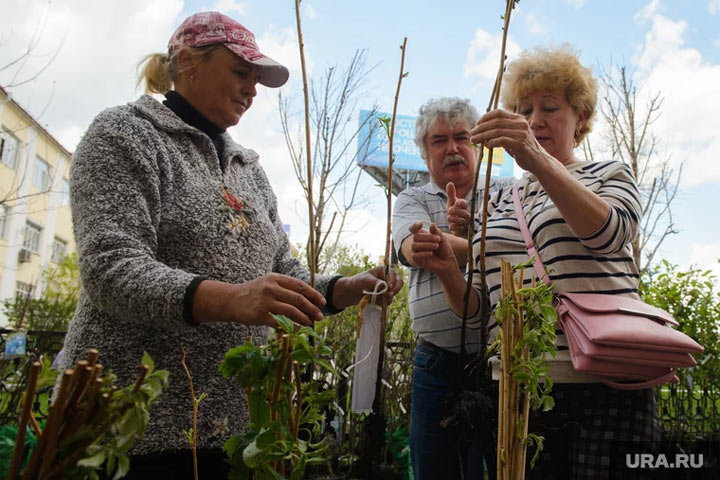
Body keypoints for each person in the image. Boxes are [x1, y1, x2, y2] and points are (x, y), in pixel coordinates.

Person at [59, 11, 401, 479]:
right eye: (241, 72)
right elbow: (110, 268)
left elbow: (286, 274)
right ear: (188, 62)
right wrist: (233, 299)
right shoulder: (125, 134)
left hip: (234, 428)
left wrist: (346, 288)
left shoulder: (248, 169)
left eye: (257, 79)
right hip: (132, 427)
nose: (252, 89)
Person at [406, 46, 659, 479]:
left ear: (580, 117)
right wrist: (450, 267)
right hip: (520, 387)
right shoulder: (503, 197)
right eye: (524, 109)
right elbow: (480, 311)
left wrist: (537, 160)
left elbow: (609, 233)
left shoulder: (609, 174)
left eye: (549, 107)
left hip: (605, 384)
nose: (535, 119)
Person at [392, 97, 504, 479]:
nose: (453, 148)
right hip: (435, 363)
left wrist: (465, 239)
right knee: (434, 466)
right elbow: (414, 247)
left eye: (462, 137)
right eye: (440, 140)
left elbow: (520, 252)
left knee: (507, 463)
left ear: (479, 146)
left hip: (500, 362)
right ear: (425, 154)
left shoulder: (504, 193)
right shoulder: (413, 198)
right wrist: (478, 246)